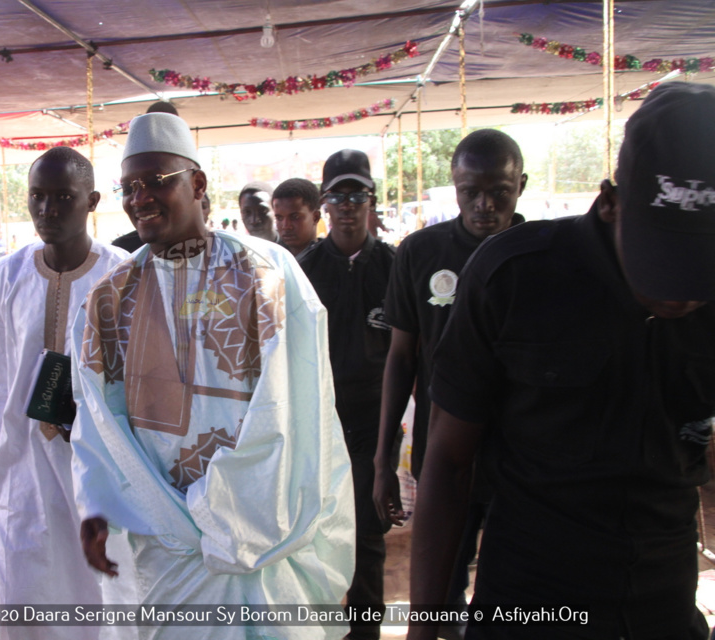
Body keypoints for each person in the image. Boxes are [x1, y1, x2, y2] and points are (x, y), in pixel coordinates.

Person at [409, 82, 715, 640]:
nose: (680, 294)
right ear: (611, 202)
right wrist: (425, 629)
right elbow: (449, 462)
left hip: (665, 599)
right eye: (662, 258)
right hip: (531, 600)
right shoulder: (512, 277)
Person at [70, 112, 355, 640]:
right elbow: (96, 412)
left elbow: (293, 407)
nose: (140, 198)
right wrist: (96, 500)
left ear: (197, 184)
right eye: (129, 187)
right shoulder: (110, 296)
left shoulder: (265, 273)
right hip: (164, 539)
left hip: (261, 528)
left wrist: (217, 510)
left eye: (156, 181)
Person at [0, 146, 130, 640]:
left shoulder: (122, 273)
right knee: (26, 601)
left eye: (63, 197)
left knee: (102, 601)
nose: (47, 209)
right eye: (37, 196)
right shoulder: (6, 275)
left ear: (91, 201)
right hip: (22, 472)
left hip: (98, 473)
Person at [374, 129, 527, 630]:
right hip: (444, 457)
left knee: (515, 599)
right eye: (470, 192)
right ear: (455, 187)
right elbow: (401, 358)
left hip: (523, 460)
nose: (485, 205)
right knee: (438, 599)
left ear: (520, 186)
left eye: (499, 191)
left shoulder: (540, 256)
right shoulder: (420, 252)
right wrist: (382, 460)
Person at [297, 150, 394, 640]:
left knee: (369, 537)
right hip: (319, 423)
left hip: (377, 423)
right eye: (338, 198)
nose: (348, 208)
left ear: (372, 201)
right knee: (312, 534)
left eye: (358, 197)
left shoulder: (395, 266)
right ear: (324, 204)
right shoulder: (305, 269)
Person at [273, 177, 321, 257]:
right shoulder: (270, 258)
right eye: (279, 218)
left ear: (315, 217)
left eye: (295, 217)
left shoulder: (333, 259)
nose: (286, 226)